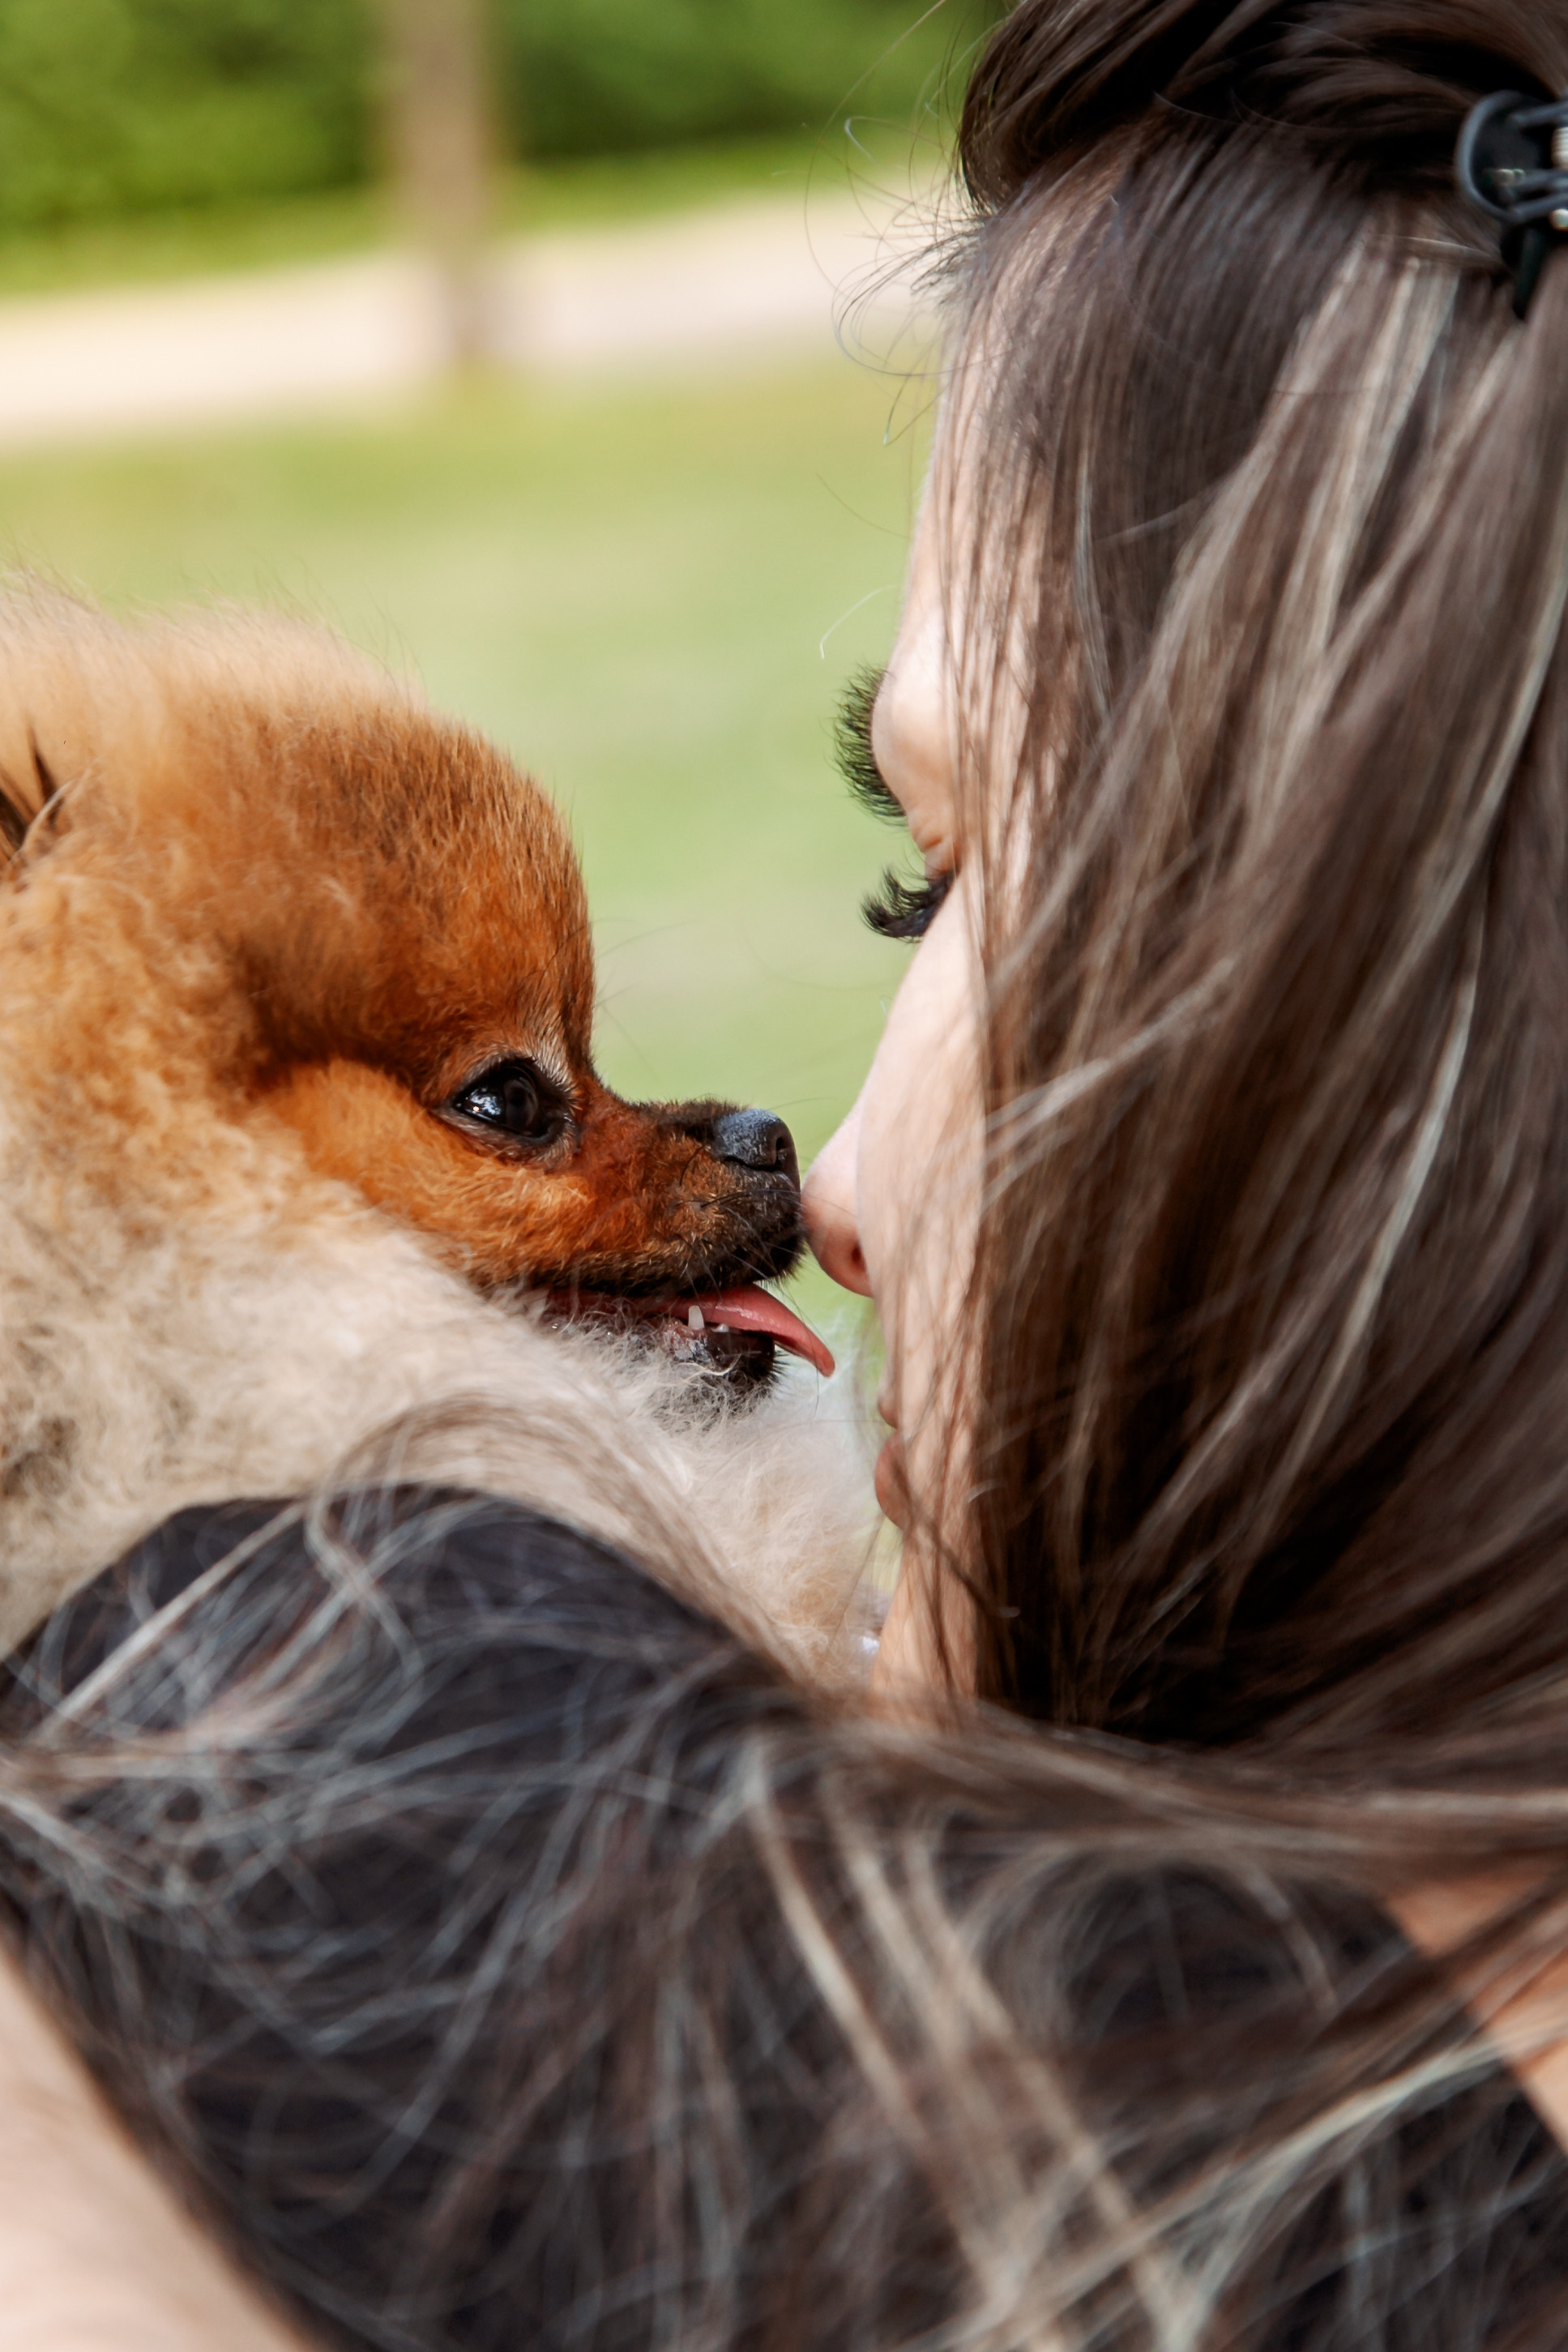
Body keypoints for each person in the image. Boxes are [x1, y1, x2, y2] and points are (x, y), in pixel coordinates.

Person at [8, 0, 1568, 2344]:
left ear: (1428, 1067)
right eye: (903, 891)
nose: (826, 1174)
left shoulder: (347, 1722)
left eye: (980, 873)